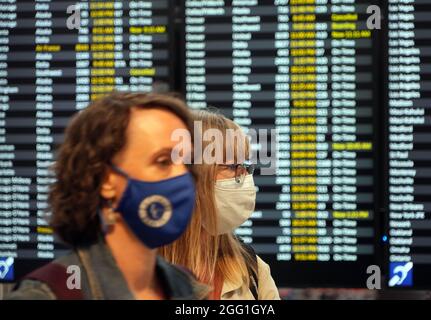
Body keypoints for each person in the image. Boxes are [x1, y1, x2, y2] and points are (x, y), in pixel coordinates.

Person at [7, 92, 208, 300]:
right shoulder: (46, 294)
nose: (183, 175)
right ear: (106, 180)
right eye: (163, 161)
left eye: (187, 162)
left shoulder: (186, 288)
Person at [160, 109, 280, 300]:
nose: (245, 177)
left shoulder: (253, 269)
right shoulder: (137, 272)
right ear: (192, 175)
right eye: (233, 166)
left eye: (246, 166)